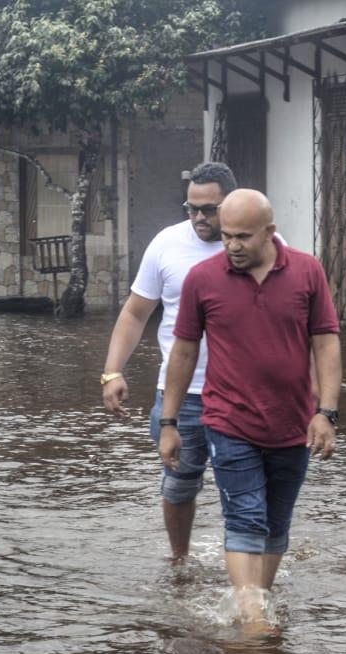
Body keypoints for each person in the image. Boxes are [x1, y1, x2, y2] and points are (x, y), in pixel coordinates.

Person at [159, 189, 342, 623]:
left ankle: (256, 599)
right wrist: (169, 422)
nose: (232, 246)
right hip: (228, 420)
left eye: (242, 237)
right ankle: (254, 618)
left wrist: (327, 412)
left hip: (293, 422)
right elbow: (183, 353)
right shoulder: (203, 279)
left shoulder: (307, 272)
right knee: (245, 515)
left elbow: (326, 343)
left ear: (270, 232)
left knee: (277, 523)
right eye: (226, 237)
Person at [101, 162, 238, 562]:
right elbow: (135, 314)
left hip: (242, 393)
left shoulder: (260, 242)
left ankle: (245, 569)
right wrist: (112, 371)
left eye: (208, 209)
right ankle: (179, 563)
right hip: (182, 395)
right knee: (178, 485)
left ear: (230, 203)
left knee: (244, 486)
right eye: (190, 208)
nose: (198, 217)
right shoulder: (166, 244)